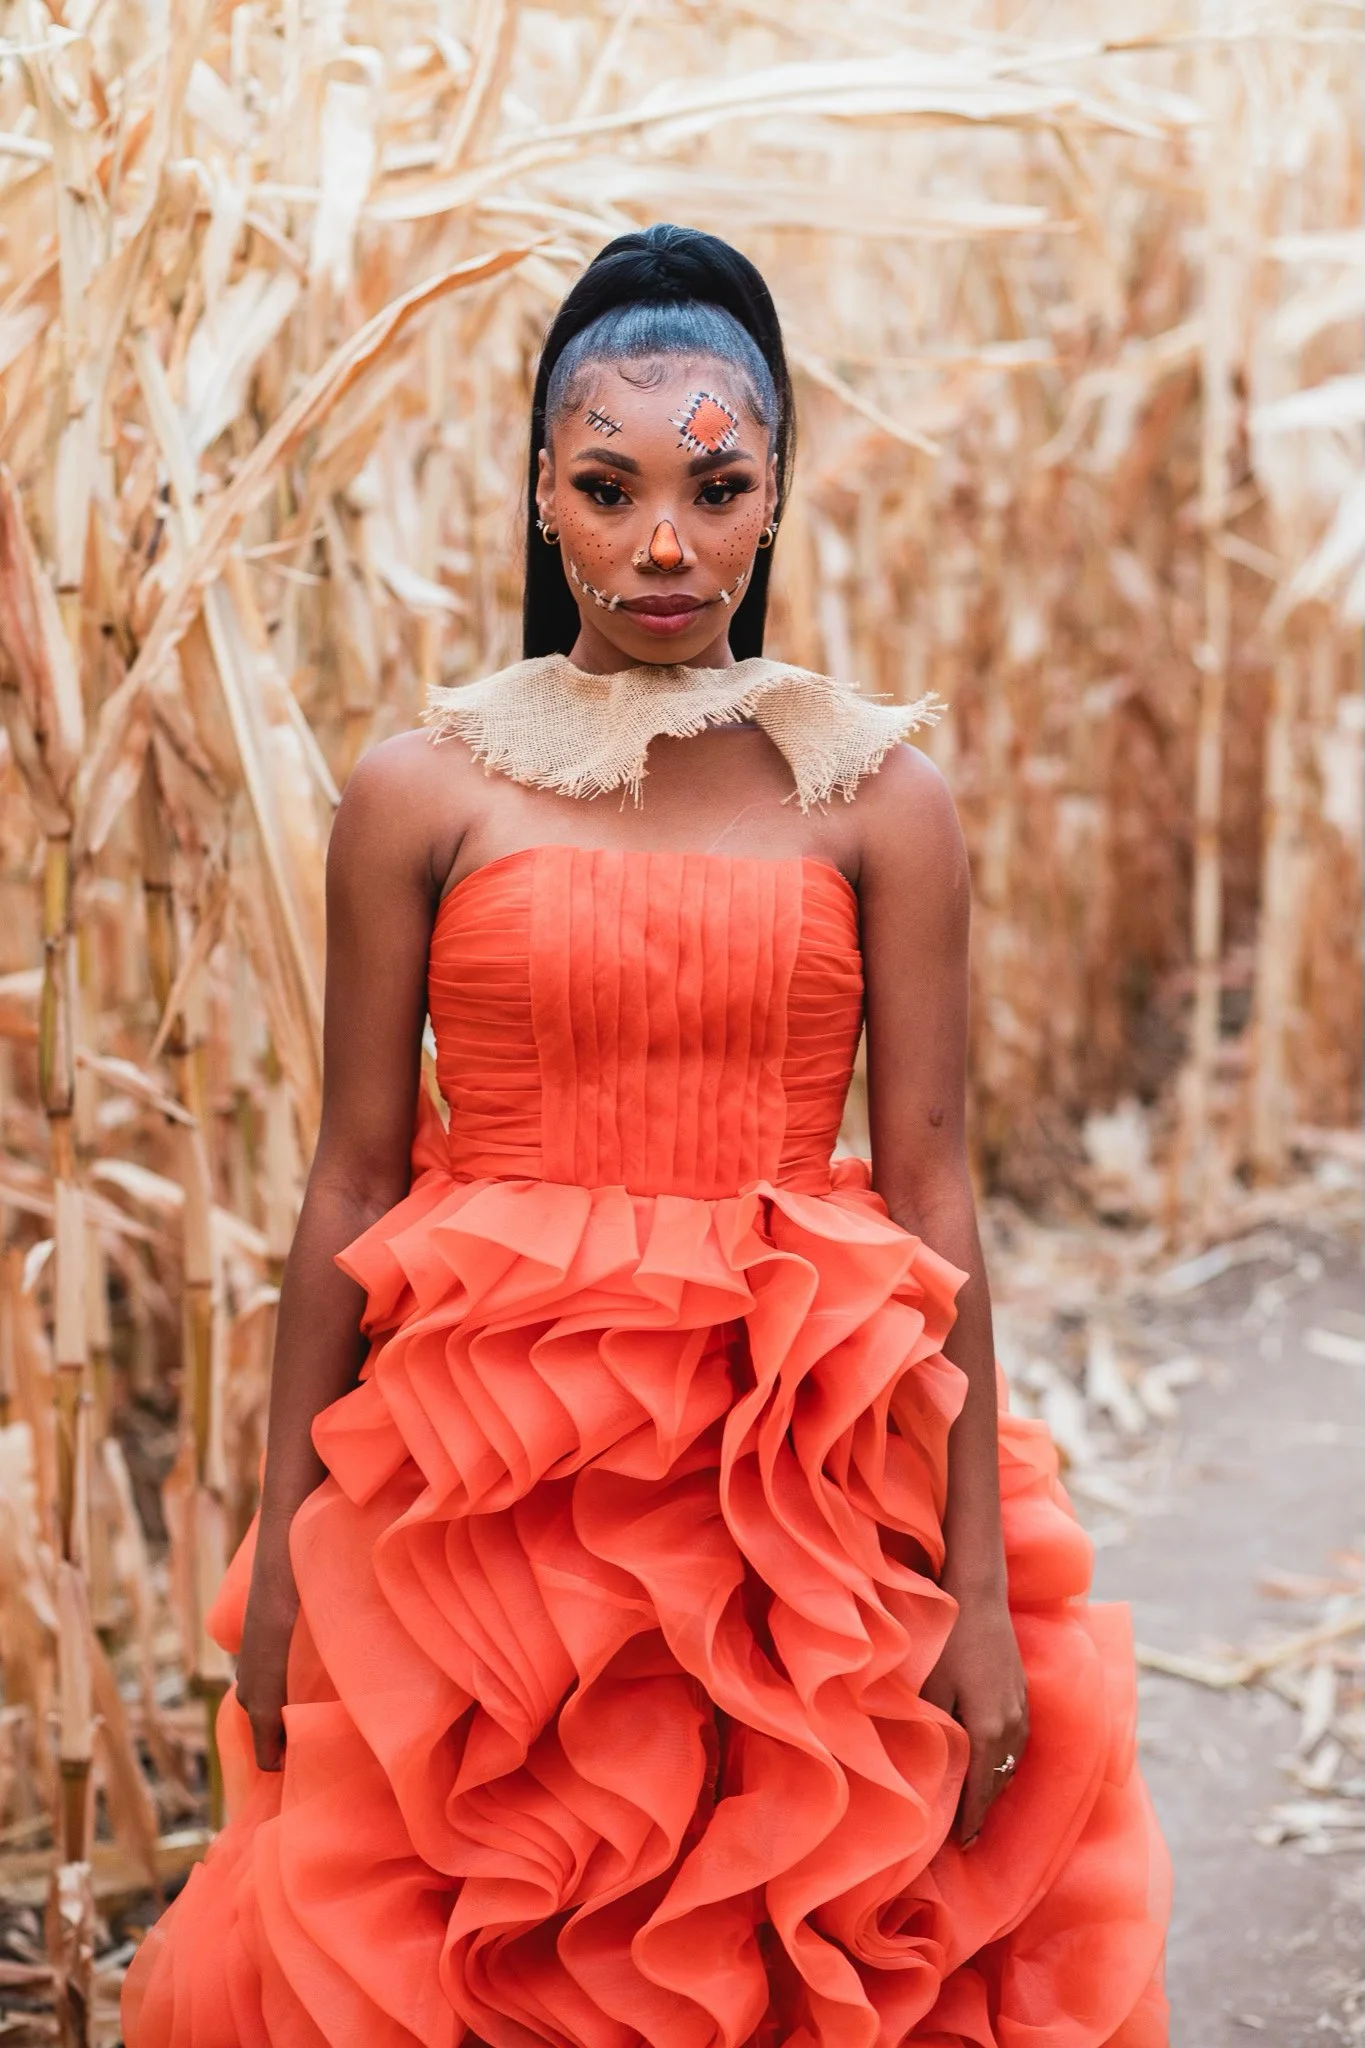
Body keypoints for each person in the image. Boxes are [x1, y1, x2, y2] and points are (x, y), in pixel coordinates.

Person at [122, 224, 1170, 2048]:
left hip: (800, 1485)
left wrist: (977, 1590)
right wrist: (285, 1538)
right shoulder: (421, 789)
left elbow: (935, 1199)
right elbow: (353, 1180)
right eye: (610, 490)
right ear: (543, 495)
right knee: (489, 1947)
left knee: (787, 1942)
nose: (665, 543)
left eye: (716, 484)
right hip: (480, 1487)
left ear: (778, 497)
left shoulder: (877, 798)